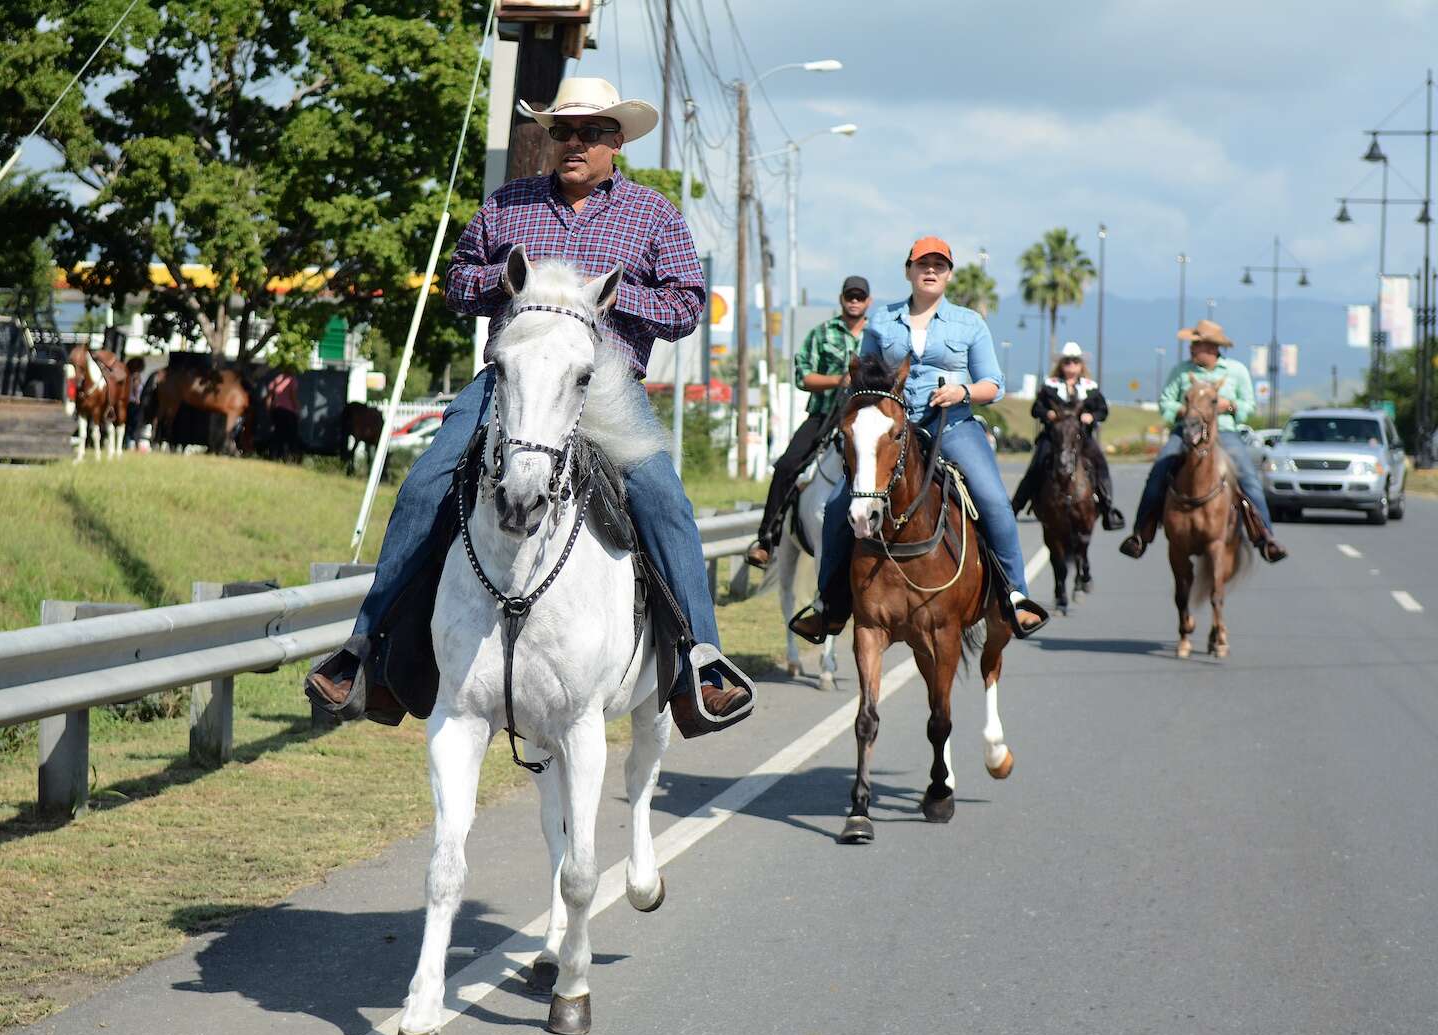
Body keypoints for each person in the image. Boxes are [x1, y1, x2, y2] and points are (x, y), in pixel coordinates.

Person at [319, 76, 750, 724]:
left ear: (617, 142)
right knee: (425, 483)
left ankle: (700, 661)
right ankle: (367, 650)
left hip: (604, 385)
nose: (574, 143)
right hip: (509, 381)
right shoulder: (507, 205)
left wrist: (595, 296)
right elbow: (458, 284)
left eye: (591, 132)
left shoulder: (653, 213)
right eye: (563, 131)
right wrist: (507, 278)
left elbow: (687, 304)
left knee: (663, 496)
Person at [790, 237, 1048, 643]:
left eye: (939, 266)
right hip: (894, 430)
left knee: (995, 499)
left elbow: (992, 385)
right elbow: (865, 379)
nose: (931, 271)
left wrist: (962, 392)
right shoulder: (881, 322)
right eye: (922, 264)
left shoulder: (969, 323)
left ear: (948, 274)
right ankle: (827, 606)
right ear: (908, 270)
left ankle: (1015, 595)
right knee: (841, 501)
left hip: (954, 425)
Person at [1118, 319, 1287, 562]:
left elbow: (1249, 405)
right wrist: (1187, 411)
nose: (1192, 348)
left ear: (1211, 347)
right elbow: (1166, 401)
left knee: (1248, 477)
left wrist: (1231, 406)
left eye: (1196, 344)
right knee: (1159, 471)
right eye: (1193, 344)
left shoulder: (1236, 371)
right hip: (1185, 431)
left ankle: (1265, 536)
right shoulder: (1181, 371)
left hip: (1225, 431)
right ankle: (1140, 534)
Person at [744, 276, 870, 568]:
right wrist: (839, 380)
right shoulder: (823, 333)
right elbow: (803, 376)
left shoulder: (877, 335)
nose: (854, 301)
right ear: (841, 299)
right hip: (825, 415)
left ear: (868, 302)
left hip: (863, 418)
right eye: (850, 296)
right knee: (787, 465)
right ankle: (767, 539)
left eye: (859, 297)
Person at [1009, 341, 1125, 529]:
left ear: (1081, 365)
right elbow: (1036, 409)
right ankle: (1015, 507)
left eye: (1075, 362)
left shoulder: (1090, 388)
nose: (1071, 366)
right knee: (1036, 465)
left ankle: (1108, 508)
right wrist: (1047, 414)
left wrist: (1091, 416)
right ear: (1061, 365)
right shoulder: (1049, 387)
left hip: (1082, 438)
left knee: (1100, 464)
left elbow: (1103, 410)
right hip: (1053, 438)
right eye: (1067, 362)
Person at [264, 367, 300, 462]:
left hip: (277, 410)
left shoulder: (278, 378)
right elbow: (293, 396)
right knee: (291, 435)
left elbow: (269, 393)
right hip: (289, 411)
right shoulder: (291, 380)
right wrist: (297, 409)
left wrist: (269, 409)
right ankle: (289, 456)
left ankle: (275, 455)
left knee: (278, 433)